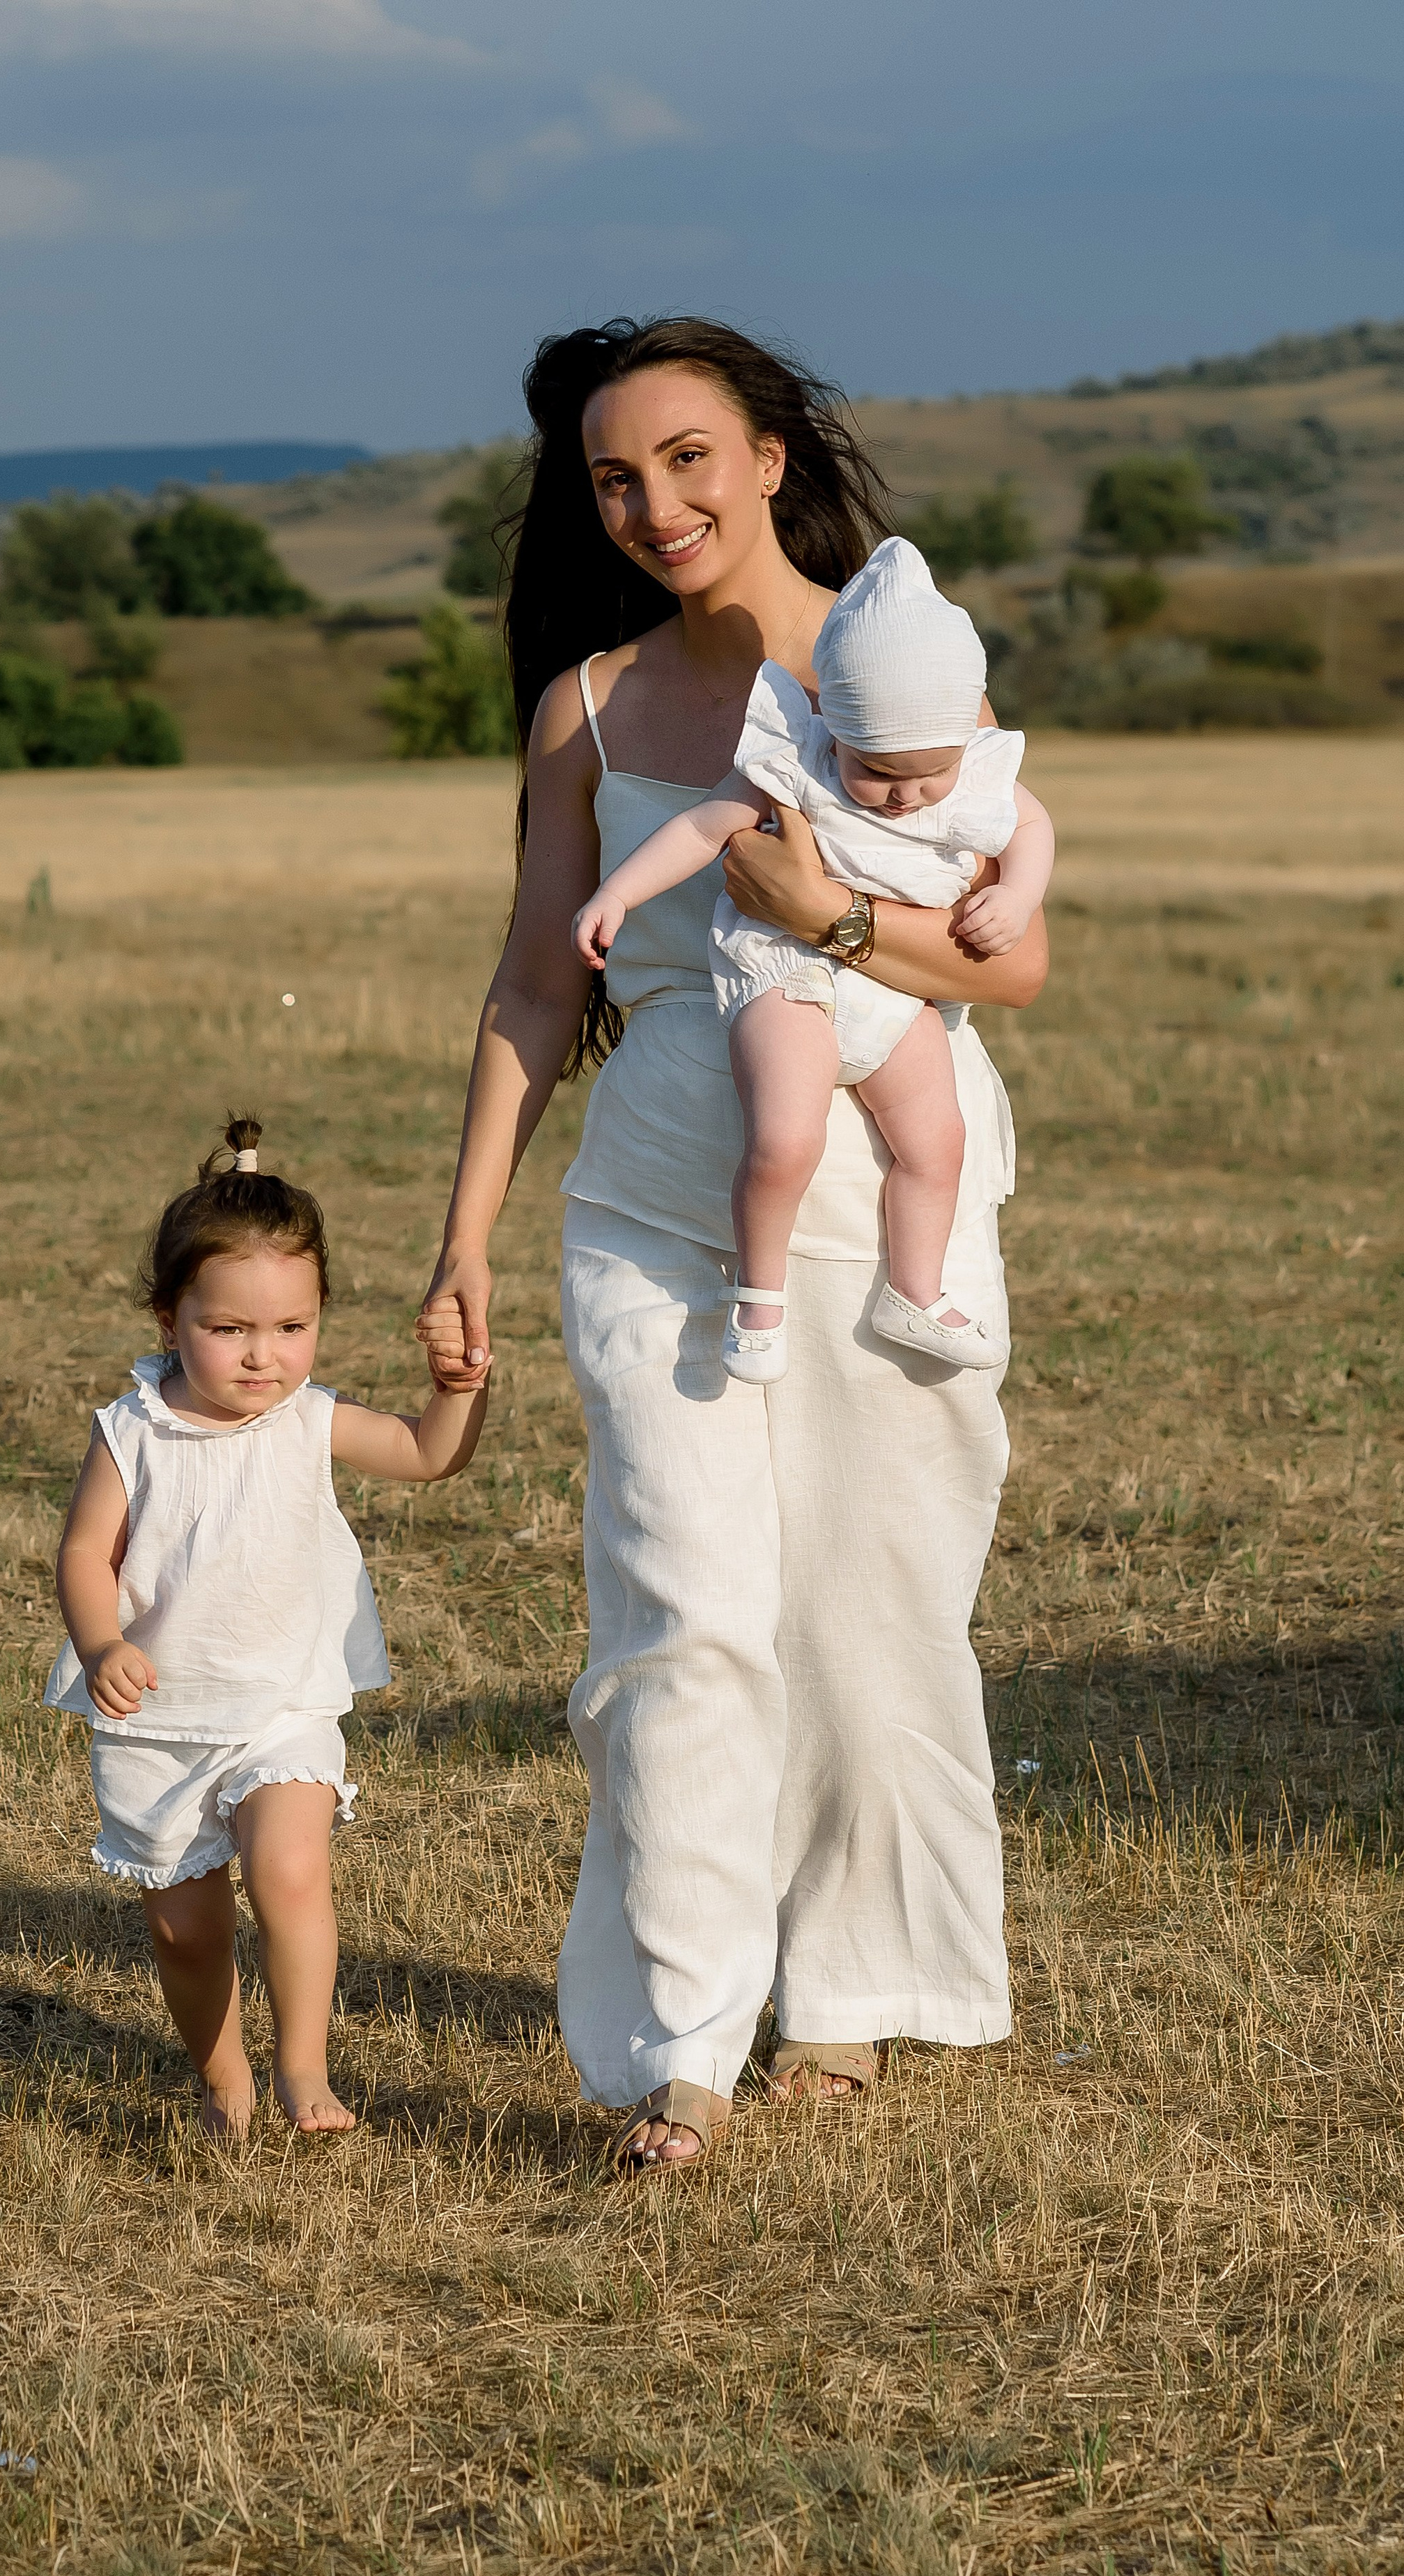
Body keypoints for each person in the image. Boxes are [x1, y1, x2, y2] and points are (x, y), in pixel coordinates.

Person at [417, 318, 1048, 2170]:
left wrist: (826, 917)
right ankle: (680, 2040)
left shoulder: (909, 663)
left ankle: (847, 1989)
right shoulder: (591, 710)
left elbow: (1012, 960)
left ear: (773, 455)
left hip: (880, 1202)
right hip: (647, 1206)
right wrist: (462, 1238)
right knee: (681, 1609)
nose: (654, 503)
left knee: (863, 1607)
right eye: (616, 476)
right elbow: (540, 982)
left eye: (690, 457)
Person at [49, 1115, 488, 2140]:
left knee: (289, 1870)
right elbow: (84, 1555)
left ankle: (304, 2070)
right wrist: (104, 1643)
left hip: (284, 1703)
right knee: (185, 1930)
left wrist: (459, 1389)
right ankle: (223, 2080)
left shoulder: (310, 1418)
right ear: (171, 1319)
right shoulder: (133, 1432)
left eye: (292, 1329)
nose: (264, 1357)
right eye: (231, 1330)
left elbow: (429, 1456)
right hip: (159, 1721)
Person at [571, 535, 1054, 1383]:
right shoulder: (795, 760)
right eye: (876, 772)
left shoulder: (970, 771)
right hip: (786, 975)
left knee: (938, 1141)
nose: (905, 794)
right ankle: (758, 1297)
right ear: (834, 721)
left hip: (895, 994)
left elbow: (1034, 827)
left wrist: (1013, 897)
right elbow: (700, 827)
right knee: (783, 1138)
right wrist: (618, 893)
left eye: (929, 774)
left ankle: (915, 1289)